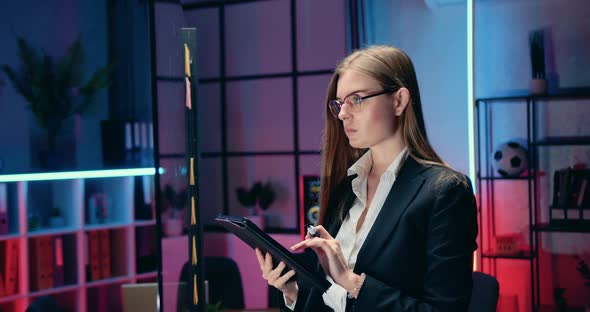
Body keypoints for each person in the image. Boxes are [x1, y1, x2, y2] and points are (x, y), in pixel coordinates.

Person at [255, 45, 478, 312]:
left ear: (398, 101)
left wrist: (352, 283)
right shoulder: (346, 188)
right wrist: (293, 294)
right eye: (340, 103)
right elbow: (332, 300)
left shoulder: (446, 191)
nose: (342, 113)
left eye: (357, 99)